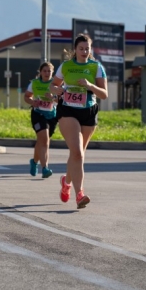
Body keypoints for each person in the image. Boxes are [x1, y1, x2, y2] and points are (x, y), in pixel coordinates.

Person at [50, 33, 108, 209]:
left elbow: (104, 94)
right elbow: (53, 85)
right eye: (81, 48)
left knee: (77, 154)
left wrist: (90, 86)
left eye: (87, 49)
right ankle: (79, 195)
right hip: (68, 110)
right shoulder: (66, 66)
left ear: (90, 50)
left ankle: (66, 182)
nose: (84, 51)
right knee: (77, 154)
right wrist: (56, 90)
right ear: (75, 50)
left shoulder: (96, 67)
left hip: (88, 111)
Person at [23, 62, 57, 179]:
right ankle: (45, 168)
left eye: (49, 71)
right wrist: (33, 102)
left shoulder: (56, 84)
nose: (47, 73)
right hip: (38, 114)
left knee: (42, 141)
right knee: (45, 140)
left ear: (52, 72)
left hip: (52, 115)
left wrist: (53, 98)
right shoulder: (35, 83)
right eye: (44, 71)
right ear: (40, 72)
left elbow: (62, 99)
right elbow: (27, 96)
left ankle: (34, 162)